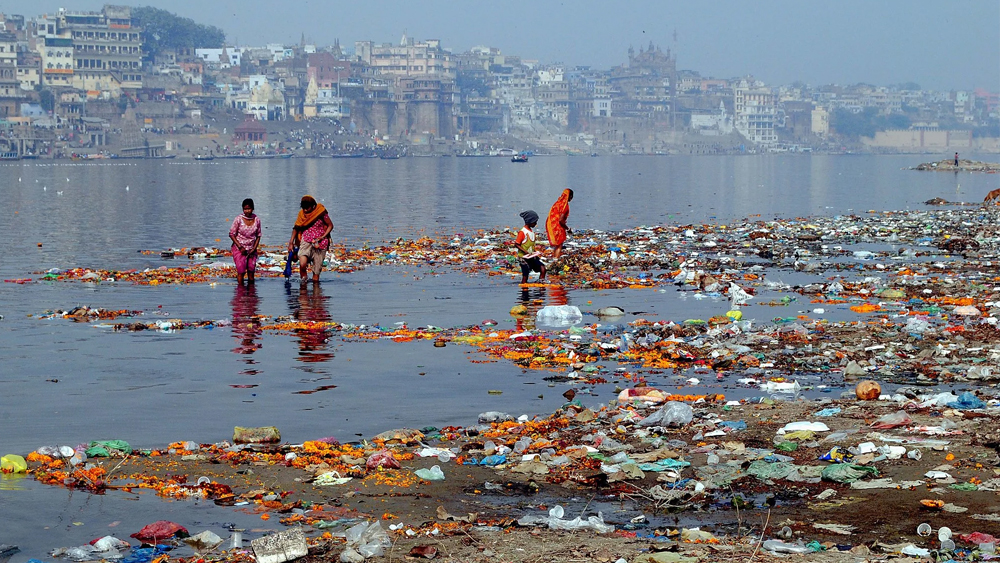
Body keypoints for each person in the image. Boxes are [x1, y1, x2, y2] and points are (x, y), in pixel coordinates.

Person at [288, 195, 333, 284]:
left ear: (313, 206)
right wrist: (291, 242)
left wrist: (323, 236)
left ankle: (315, 292)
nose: (305, 210)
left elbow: (330, 225)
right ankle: (303, 287)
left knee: (316, 271)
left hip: (320, 243)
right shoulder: (301, 214)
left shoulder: (321, 212)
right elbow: (296, 228)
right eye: (303, 208)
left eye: (307, 208)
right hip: (306, 240)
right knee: (302, 264)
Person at [229, 198, 261, 286]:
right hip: (239, 248)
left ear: (253, 208)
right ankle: (240, 293)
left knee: (251, 272)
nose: (247, 211)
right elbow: (232, 234)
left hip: (251, 248)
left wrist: (254, 248)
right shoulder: (238, 219)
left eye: (249, 209)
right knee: (241, 271)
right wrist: (240, 247)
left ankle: (251, 294)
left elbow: (258, 235)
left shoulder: (256, 220)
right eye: (245, 209)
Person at [515, 210, 545, 284]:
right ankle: (524, 289)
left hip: (531, 256)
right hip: (523, 257)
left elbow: (531, 246)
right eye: (534, 222)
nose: (536, 223)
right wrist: (525, 252)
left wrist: (535, 253)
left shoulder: (531, 232)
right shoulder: (523, 232)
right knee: (526, 274)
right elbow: (516, 244)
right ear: (529, 221)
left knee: (543, 268)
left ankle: (541, 283)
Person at [545, 188, 574, 261]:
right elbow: (561, 220)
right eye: (571, 197)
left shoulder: (557, 203)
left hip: (551, 224)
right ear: (569, 196)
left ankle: (554, 259)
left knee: (557, 244)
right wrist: (567, 229)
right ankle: (555, 260)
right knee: (559, 244)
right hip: (558, 226)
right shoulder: (565, 206)